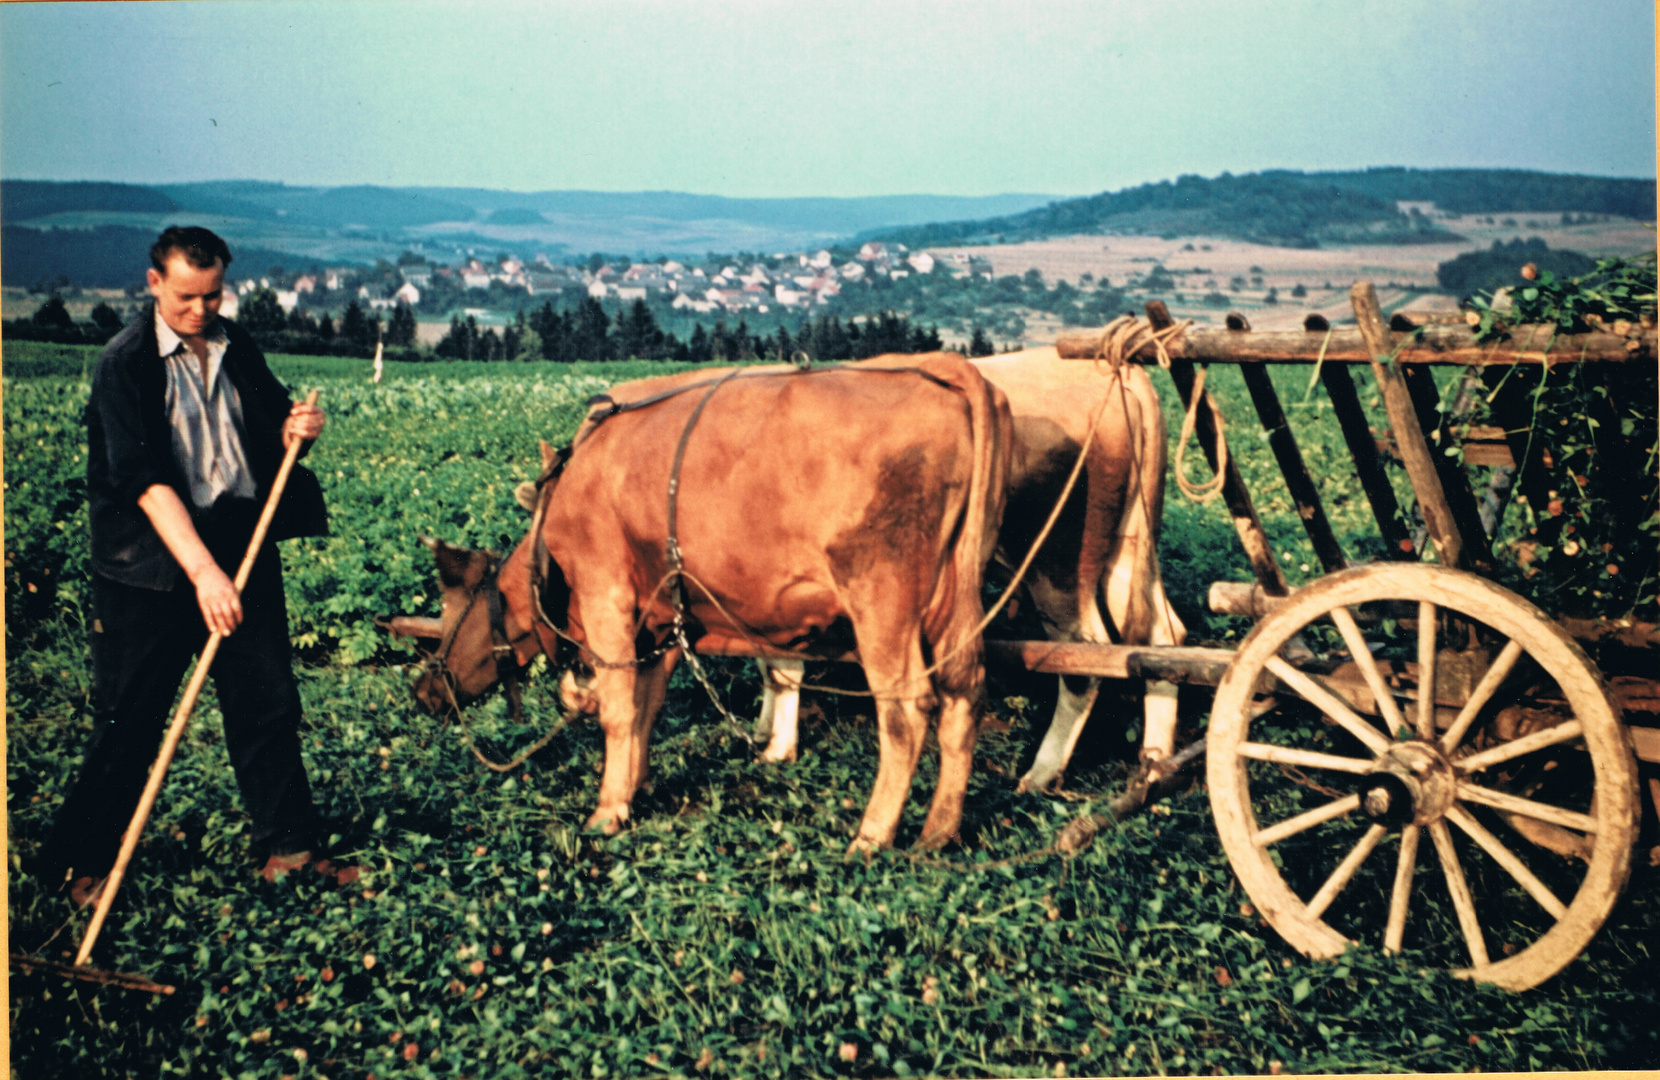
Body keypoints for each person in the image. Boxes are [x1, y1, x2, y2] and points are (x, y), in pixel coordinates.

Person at [41, 226, 334, 905]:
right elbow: (143, 482)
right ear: (153, 284)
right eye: (185, 298)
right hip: (150, 561)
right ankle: (83, 865)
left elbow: (269, 430)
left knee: (266, 700)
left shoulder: (236, 345)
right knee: (131, 716)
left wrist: (296, 432)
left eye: (212, 295)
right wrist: (203, 574)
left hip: (241, 539)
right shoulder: (126, 363)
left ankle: (288, 851)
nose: (200, 311)